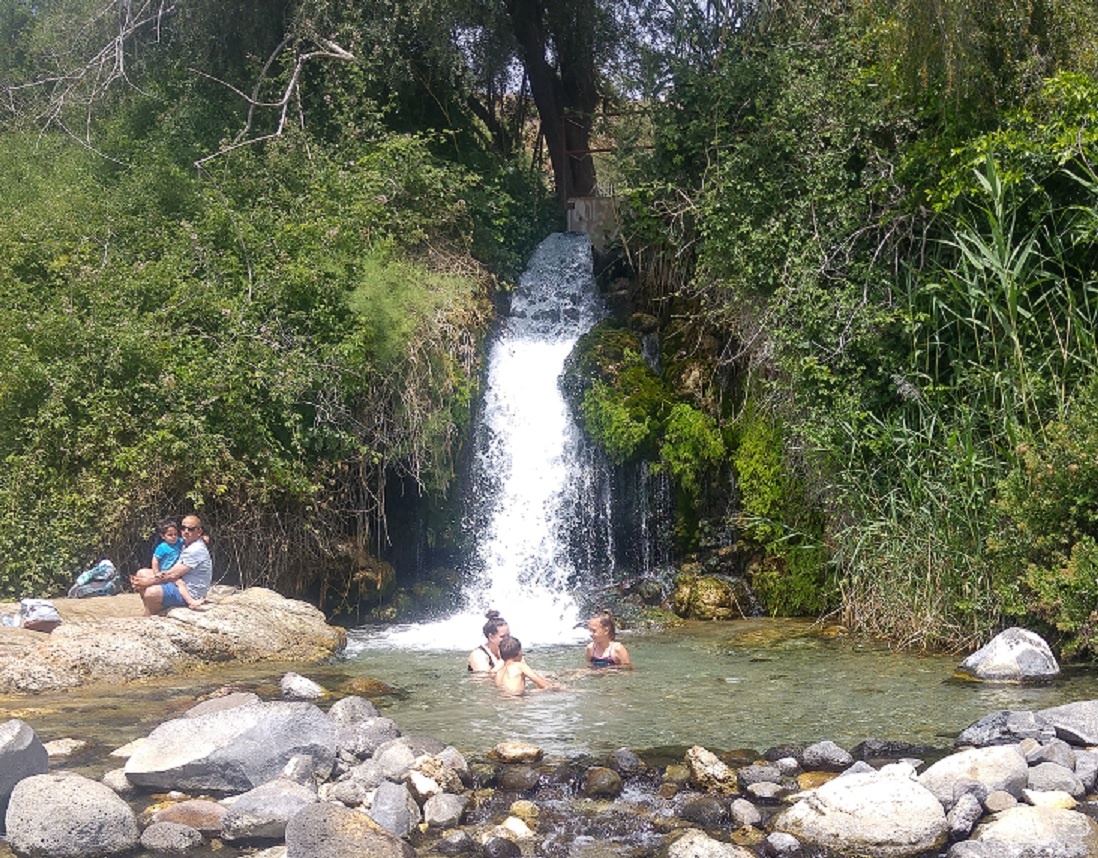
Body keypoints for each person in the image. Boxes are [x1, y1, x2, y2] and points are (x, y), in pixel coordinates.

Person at [131, 514, 213, 616]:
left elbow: (173, 575)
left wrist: (148, 581)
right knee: (141, 573)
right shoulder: (184, 543)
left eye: (191, 529)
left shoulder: (195, 550)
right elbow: (159, 562)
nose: (186, 531)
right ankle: (153, 609)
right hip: (178, 581)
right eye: (183, 528)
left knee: (151, 592)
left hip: (190, 591)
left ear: (199, 531)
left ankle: (150, 614)